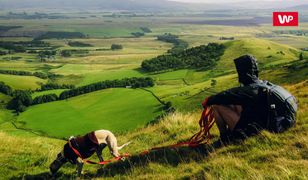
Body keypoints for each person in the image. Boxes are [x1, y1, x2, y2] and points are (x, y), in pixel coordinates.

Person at [204, 55, 297, 143]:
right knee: (234, 103)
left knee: (216, 106)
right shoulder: (265, 85)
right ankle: (229, 134)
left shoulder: (250, 90)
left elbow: (227, 95)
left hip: (257, 131)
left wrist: (209, 100)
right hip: (275, 124)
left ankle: (225, 139)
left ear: (242, 72)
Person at [49, 130, 131, 176]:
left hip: (106, 136)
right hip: (95, 137)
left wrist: (78, 175)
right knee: (99, 152)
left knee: (114, 153)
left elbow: (80, 162)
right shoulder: (67, 150)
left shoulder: (68, 152)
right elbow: (79, 158)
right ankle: (103, 166)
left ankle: (126, 162)